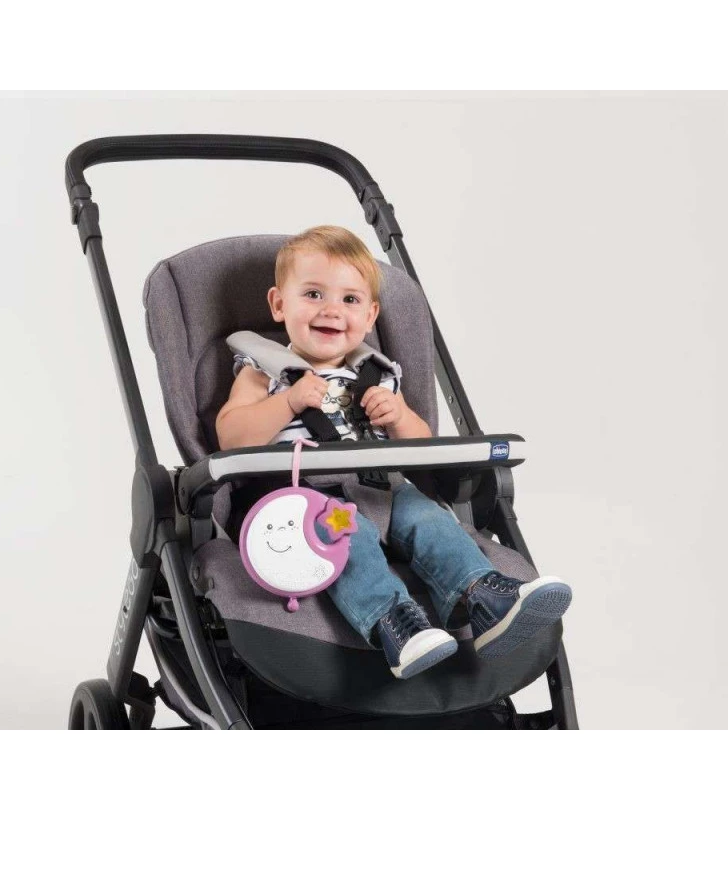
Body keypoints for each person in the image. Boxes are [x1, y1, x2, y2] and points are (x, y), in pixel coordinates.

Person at [215, 225, 572, 679]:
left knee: (432, 521)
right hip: (310, 501)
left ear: (370, 316)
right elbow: (231, 437)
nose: (331, 310)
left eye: (350, 299)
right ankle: (394, 623)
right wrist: (286, 403)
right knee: (352, 539)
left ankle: (484, 598)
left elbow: (423, 446)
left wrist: (399, 416)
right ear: (279, 304)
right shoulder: (263, 372)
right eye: (313, 294)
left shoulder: (379, 376)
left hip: (385, 489)